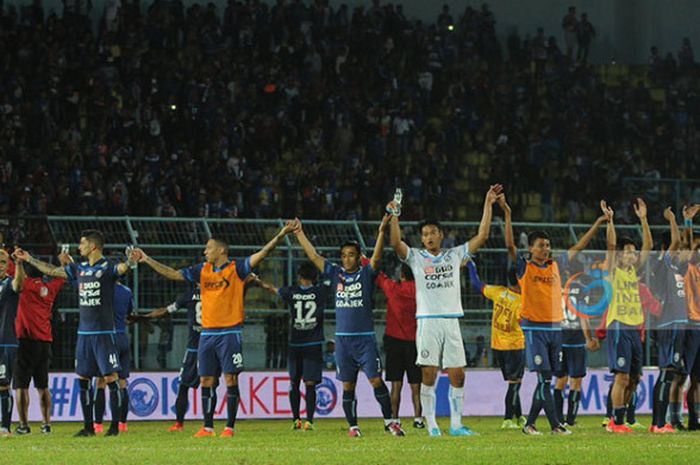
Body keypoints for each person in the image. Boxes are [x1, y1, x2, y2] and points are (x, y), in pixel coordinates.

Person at [132, 221, 298, 438]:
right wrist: (146, 259)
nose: (205, 251)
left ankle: (229, 427)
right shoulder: (201, 270)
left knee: (231, 379)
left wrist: (281, 234)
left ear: (221, 250)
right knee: (206, 380)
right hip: (207, 334)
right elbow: (173, 274)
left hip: (229, 333)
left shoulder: (236, 269)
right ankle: (208, 427)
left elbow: (264, 253)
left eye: (208, 248)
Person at [389, 184, 502, 437]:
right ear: (422, 239)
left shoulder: (454, 255)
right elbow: (396, 243)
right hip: (428, 322)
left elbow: (482, 236)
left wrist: (488, 203)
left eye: (433, 232)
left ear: (441, 235)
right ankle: (431, 425)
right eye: (425, 234)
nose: (429, 237)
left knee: (458, 375)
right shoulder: (416, 257)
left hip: (451, 321)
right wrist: (394, 215)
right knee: (428, 373)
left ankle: (456, 424)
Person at [14, 229, 137, 437]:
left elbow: (122, 268)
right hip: (84, 335)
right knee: (83, 378)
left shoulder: (107, 267)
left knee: (111, 378)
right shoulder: (79, 270)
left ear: (93, 246)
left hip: (104, 334)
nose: (79, 247)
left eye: (82, 243)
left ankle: (115, 427)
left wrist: (131, 261)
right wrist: (29, 259)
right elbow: (53, 271)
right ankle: (88, 427)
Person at [294, 214, 404, 437]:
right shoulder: (335, 274)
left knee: (375, 380)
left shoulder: (366, 274)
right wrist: (299, 233)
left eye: (351, 255)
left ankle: (390, 421)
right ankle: (353, 427)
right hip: (343, 340)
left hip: (365, 339)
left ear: (357, 257)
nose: (347, 259)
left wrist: (381, 231)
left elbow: (376, 256)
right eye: (344, 255)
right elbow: (313, 255)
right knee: (347, 386)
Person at [505, 199, 605, 435]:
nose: (546, 249)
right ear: (530, 248)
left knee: (546, 382)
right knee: (543, 381)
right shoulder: (524, 267)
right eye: (541, 245)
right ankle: (556, 425)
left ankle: (529, 424)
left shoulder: (556, 265)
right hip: (534, 330)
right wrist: (507, 213)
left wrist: (599, 222)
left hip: (555, 329)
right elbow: (509, 244)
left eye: (548, 245)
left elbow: (579, 246)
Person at [467, 195, 524, 430]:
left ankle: (519, 416)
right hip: (515, 345)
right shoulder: (524, 300)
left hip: (497, 344)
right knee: (515, 383)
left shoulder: (498, 292)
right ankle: (508, 419)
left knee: (513, 383)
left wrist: (470, 262)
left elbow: (476, 283)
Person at [256, 261, 330, 431]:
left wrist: (259, 282)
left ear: (299, 277)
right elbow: (331, 281)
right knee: (310, 384)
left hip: (295, 344)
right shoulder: (320, 291)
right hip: (313, 343)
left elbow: (274, 289)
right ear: (314, 277)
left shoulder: (292, 291)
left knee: (294, 382)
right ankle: (309, 420)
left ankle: (296, 419)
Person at [600, 199, 652, 434]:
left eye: (634, 253)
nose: (633, 256)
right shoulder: (613, 272)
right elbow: (611, 245)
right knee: (621, 377)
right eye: (629, 253)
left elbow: (648, 247)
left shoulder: (633, 273)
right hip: (618, 326)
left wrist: (643, 219)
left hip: (634, 328)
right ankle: (616, 422)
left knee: (634, 379)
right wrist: (610, 222)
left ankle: (616, 417)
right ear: (620, 256)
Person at [553, 216, 607, 428]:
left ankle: (557, 419)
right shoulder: (578, 287)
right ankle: (571, 420)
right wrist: (589, 338)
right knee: (575, 381)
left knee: (560, 380)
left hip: (559, 336)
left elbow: (579, 245)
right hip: (575, 339)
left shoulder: (554, 286)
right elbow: (583, 315)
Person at [144, 284, 213, 432]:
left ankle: (179, 424)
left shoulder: (188, 295)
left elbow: (167, 310)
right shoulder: (216, 293)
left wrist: (146, 317)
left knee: (183, 386)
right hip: (212, 344)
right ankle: (208, 425)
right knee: (210, 385)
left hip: (194, 348)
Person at [11, 255, 65, 435]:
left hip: (26, 340)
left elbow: (13, 276)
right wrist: (63, 263)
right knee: (43, 386)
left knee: (21, 385)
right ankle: (46, 424)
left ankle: (23, 425)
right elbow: (61, 276)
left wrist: (17, 261)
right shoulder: (49, 288)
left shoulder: (25, 285)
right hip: (45, 342)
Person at [648, 208, 689, 433]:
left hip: (677, 324)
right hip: (668, 325)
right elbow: (675, 242)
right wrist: (674, 220)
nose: (680, 251)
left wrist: (688, 222)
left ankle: (659, 422)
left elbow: (684, 244)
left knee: (669, 373)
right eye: (676, 249)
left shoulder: (675, 268)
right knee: (666, 373)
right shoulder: (661, 264)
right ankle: (658, 423)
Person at [376, 263, 423, 429]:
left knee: (396, 384)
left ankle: (395, 419)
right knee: (416, 384)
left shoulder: (393, 288)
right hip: (414, 341)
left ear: (402, 274)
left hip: (394, 341)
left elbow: (379, 276)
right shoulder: (420, 291)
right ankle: (418, 419)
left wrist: (365, 259)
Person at [0, 250, 19, 436]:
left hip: (4, 342)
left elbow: (19, 284)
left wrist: (19, 265)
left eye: (3, 262)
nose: (0, 265)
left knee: (3, 385)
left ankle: (5, 427)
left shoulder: (9, 283)